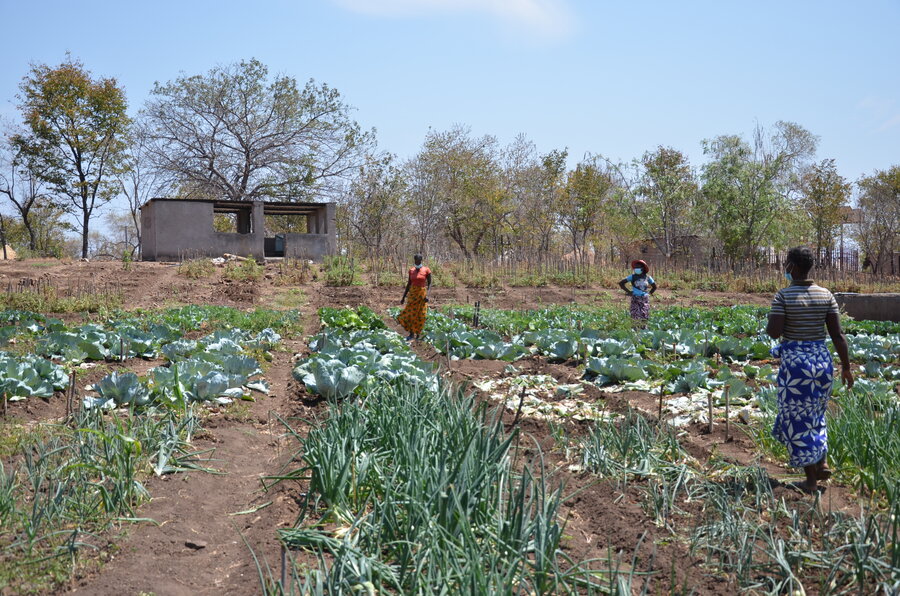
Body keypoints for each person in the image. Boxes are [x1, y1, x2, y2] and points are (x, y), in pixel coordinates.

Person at [766, 246, 854, 493]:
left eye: (786, 264)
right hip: (822, 364)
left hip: (797, 368)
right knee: (816, 413)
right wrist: (847, 368)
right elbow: (837, 335)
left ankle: (811, 481)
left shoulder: (783, 296)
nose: (785, 268)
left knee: (796, 420)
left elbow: (774, 331)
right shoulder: (826, 295)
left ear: (792, 267)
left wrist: (774, 320)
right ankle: (822, 461)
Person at [398, 254, 432, 341]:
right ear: (414, 260)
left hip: (422, 295)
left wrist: (428, 295)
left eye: (419, 261)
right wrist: (403, 297)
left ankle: (418, 334)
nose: (417, 262)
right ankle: (411, 334)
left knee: (421, 314)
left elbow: (430, 283)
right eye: (416, 261)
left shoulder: (426, 270)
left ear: (421, 260)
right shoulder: (411, 270)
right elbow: (409, 284)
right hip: (413, 294)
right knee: (410, 314)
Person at [618, 259, 657, 326]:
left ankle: (643, 331)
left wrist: (649, 293)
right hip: (635, 298)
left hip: (644, 299)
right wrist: (629, 292)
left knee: (644, 315)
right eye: (635, 267)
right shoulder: (632, 277)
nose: (636, 269)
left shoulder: (648, 277)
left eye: (638, 267)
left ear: (643, 268)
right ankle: (635, 330)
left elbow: (654, 287)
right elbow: (621, 283)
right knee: (635, 315)